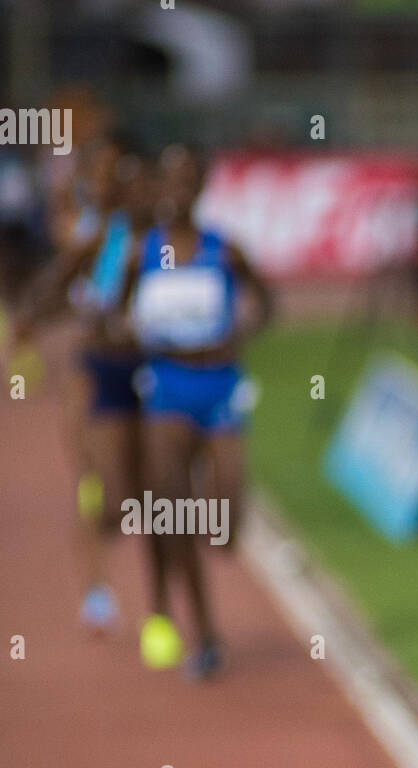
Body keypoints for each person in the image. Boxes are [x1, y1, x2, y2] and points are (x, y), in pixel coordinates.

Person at [117, 144, 273, 678]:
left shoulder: (224, 250)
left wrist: (241, 332)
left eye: (189, 180)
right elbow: (115, 316)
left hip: (220, 388)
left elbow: (266, 304)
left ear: (202, 187)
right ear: (159, 187)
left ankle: (216, 551)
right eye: (171, 179)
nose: (179, 190)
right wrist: (134, 332)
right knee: (174, 513)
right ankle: (205, 634)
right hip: (166, 391)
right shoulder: (142, 253)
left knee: (225, 527)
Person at [5, 137, 156, 636]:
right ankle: (96, 588)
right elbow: (55, 285)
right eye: (105, 174)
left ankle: (154, 591)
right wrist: (31, 318)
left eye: (124, 175)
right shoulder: (92, 235)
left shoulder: (161, 238)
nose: (114, 184)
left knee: (138, 489)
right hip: (94, 373)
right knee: (101, 490)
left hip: (151, 374)